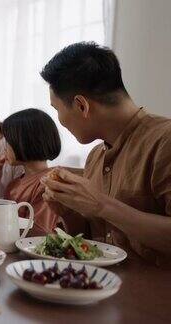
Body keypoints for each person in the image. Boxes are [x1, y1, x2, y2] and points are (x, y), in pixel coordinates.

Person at [39, 42, 171, 267]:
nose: (60, 120)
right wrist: (69, 212)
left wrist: (103, 205)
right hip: (97, 290)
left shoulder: (164, 140)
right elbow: (94, 239)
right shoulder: (95, 156)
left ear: (81, 106)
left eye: (57, 109)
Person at [0, 108, 62, 236]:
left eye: (8, 142)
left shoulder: (48, 184)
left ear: (24, 142)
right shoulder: (13, 185)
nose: (4, 148)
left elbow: (41, 232)